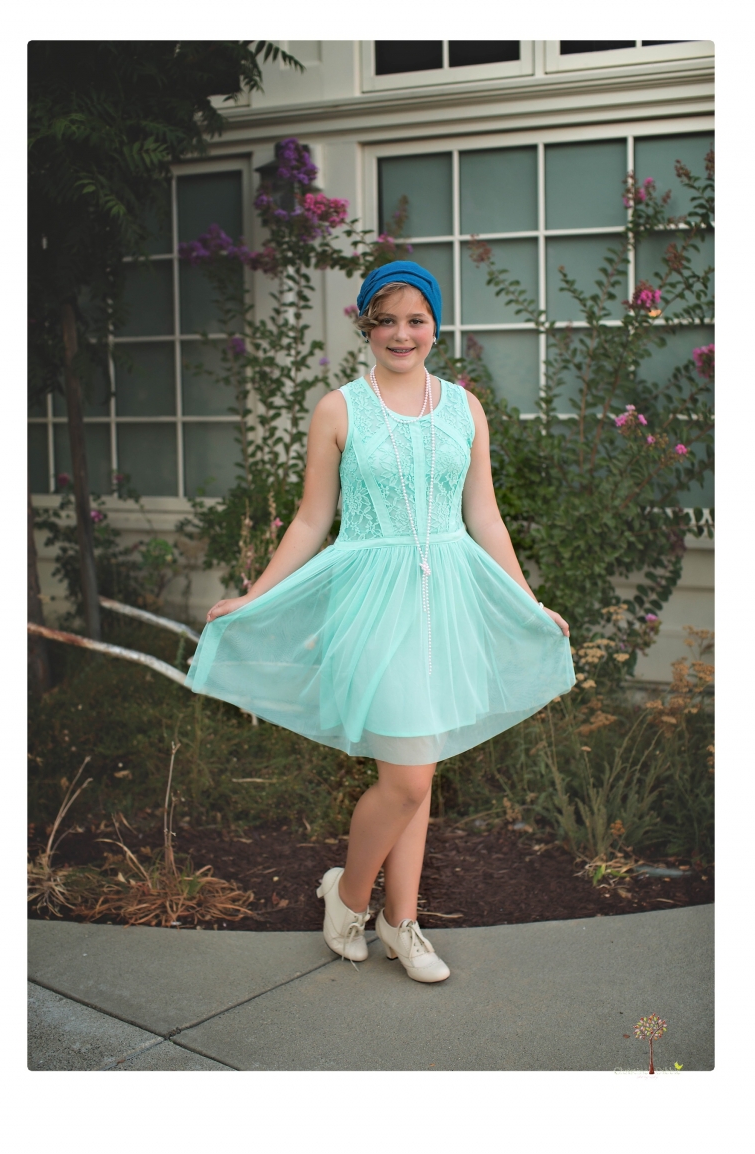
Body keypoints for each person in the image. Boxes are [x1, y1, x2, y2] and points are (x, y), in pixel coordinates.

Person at [186, 260, 575, 983]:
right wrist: (256, 592)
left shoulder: (464, 407)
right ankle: (349, 897)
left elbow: (483, 514)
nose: (402, 333)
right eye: (386, 319)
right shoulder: (340, 409)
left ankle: (401, 923)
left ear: (435, 326)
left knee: (417, 776)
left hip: (447, 604)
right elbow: (312, 519)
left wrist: (525, 601)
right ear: (366, 325)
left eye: (416, 319)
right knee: (404, 778)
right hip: (372, 602)